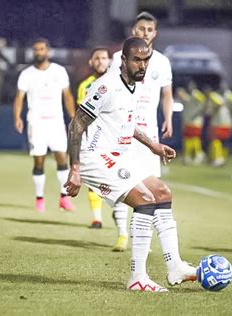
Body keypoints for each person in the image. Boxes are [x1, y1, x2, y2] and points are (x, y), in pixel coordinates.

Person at [65, 37, 196, 292]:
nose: (142, 65)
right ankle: (137, 277)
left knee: (162, 193)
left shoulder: (133, 86)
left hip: (119, 155)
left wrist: (153, 145)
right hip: (95, 157)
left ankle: (175, 266)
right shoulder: (105, 86)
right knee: (145, 200)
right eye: (137, 59)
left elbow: (126, 123)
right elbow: (76, 125)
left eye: (145, 60)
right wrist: (76, 168)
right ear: (123, 60)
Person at [108, 12, 174, 251]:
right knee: (122, 181)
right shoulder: (118, 58)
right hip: (122, 130)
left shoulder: (163, 62)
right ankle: (122, 233)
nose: (144, 33)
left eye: (149, 29)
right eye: (141, 28)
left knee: (151, 184)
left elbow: (167, 94)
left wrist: (168, 118)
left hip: (150, 132)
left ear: (155, 33)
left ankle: (143, 234)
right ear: (133, 30)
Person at [13, 38, 76, 213]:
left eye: (41, 49)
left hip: (56, 122)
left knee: (62, 159)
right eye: (36, 50)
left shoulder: (59, 71)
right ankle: (39, 199)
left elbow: (68, 96)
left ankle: (64, 198)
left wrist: (73, 117)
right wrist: (17, 117)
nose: (39, 52)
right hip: (36, 123)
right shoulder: (26, 74)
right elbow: (19, 98)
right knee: (39, 161)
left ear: (48, 51)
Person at [76, 48, 111, 229]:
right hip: (94, 139)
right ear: (91, 62)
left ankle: (119, 216)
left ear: (109, 61)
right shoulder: (85, 86)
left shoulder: (117, 83)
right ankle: (97, 219)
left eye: (104, 58)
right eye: (97, 58)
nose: (100, 61)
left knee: (117, 178)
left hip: (114, 138)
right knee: (93, 179)